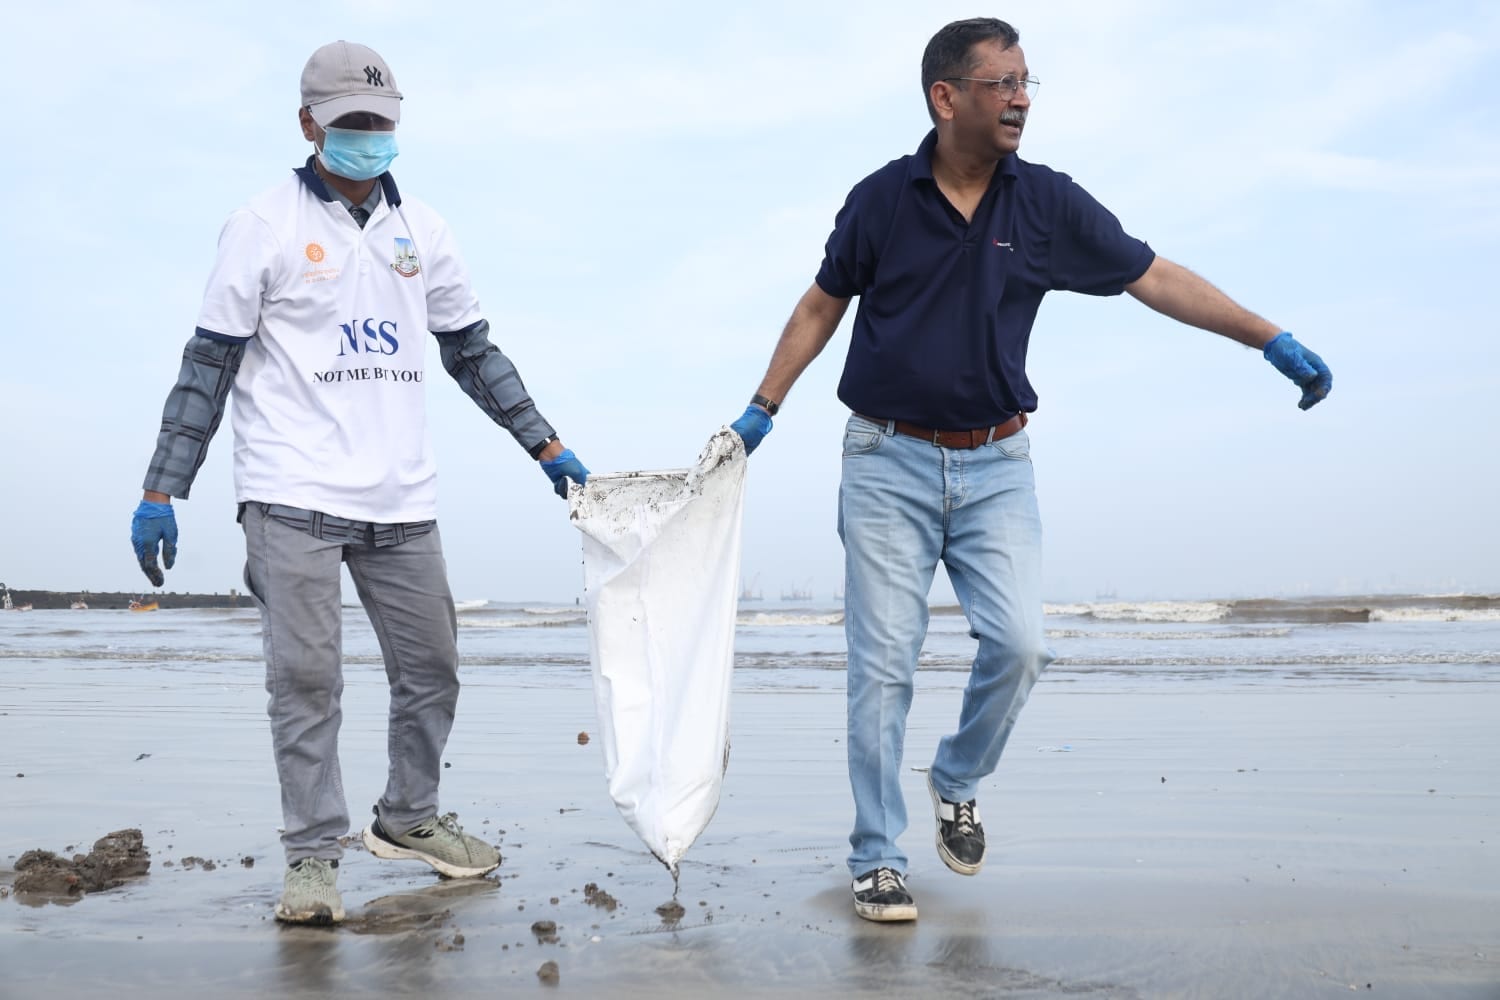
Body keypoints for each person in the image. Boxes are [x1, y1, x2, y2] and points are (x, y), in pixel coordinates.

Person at [727, 17, 1331, 923]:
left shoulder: (1046, 203)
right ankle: (877, 856)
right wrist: (762, 407)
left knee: (1021, 646)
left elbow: (1154, 276)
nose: (1020, 101)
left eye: (1025, 84)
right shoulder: (882, 200)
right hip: (886, 459)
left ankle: (956, 778)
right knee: (882, 670)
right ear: (946, 97)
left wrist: (1268, 337)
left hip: (998, 465)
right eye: (1002, 84)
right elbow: (822, 304)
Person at [129, 40, 590, 925]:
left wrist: (546, 445)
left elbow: (473, 353)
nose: (369, 134)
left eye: (381, 119)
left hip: (402, 498)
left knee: (434, 671)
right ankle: (312, 858)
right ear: (309, 124)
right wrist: (163, 488)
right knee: (307, 683)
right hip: (291, 492)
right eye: (351, 122)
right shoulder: (261, 226)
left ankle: (409, 817)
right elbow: (209, 365)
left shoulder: (425, 232)